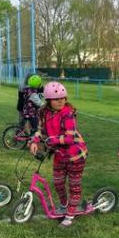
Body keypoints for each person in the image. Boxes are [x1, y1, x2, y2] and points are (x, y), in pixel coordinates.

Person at [29, 81, 88, 227]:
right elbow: (41, 130)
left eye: (63, 98)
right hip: (59, 154)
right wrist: (35, 140)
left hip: (75, 155)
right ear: (48, 100)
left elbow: (69, 137)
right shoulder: (44, 112)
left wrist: (52, 139)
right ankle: (64, 205)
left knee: (74, 185)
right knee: (58, 183)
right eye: (57, 99)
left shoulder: (68, 114)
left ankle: (70, 214)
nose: (61, 101)